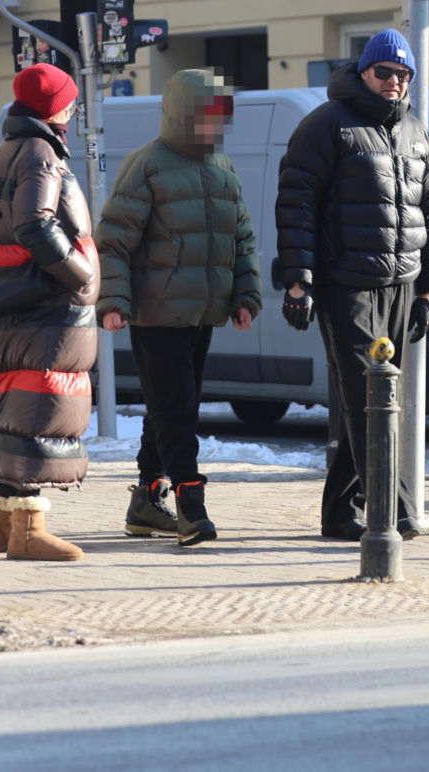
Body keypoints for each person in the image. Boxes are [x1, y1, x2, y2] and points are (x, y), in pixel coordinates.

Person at [275, 29, 429, 541]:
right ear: (364, 72)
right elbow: (296, 206)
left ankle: (338, 513)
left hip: (400, 283)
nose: (393, 82)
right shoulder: (325, 126)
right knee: (369, 390)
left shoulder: (416, 131)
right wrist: (299, 281)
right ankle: (392, 510)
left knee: (367, 396)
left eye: (402, 74)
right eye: (384, 72)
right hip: (343, 281)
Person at [95, 68, 261, 547]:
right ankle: (192, 506)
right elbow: (115, 241)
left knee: (166, 408)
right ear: (180, 114)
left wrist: (243, 297)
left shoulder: (222, 168)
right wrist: (114, 302)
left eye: (219, 116)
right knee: (178, 409)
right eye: (205, 114)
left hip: (202, 313)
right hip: (156, 314)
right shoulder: (147, 163)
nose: (214, 125)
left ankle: (147, 501)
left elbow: (242, 238)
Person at [0, 62, 99, 561]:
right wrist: (80, 274)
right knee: (41, 401)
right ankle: (28, 531)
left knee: (19, 402)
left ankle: (3, 524)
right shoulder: (40, 152)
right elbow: (36, 224)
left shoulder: (11, 146)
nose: (73, 107)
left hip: (17, 299)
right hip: (44, 304)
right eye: (68, 100)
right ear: (55, 106)